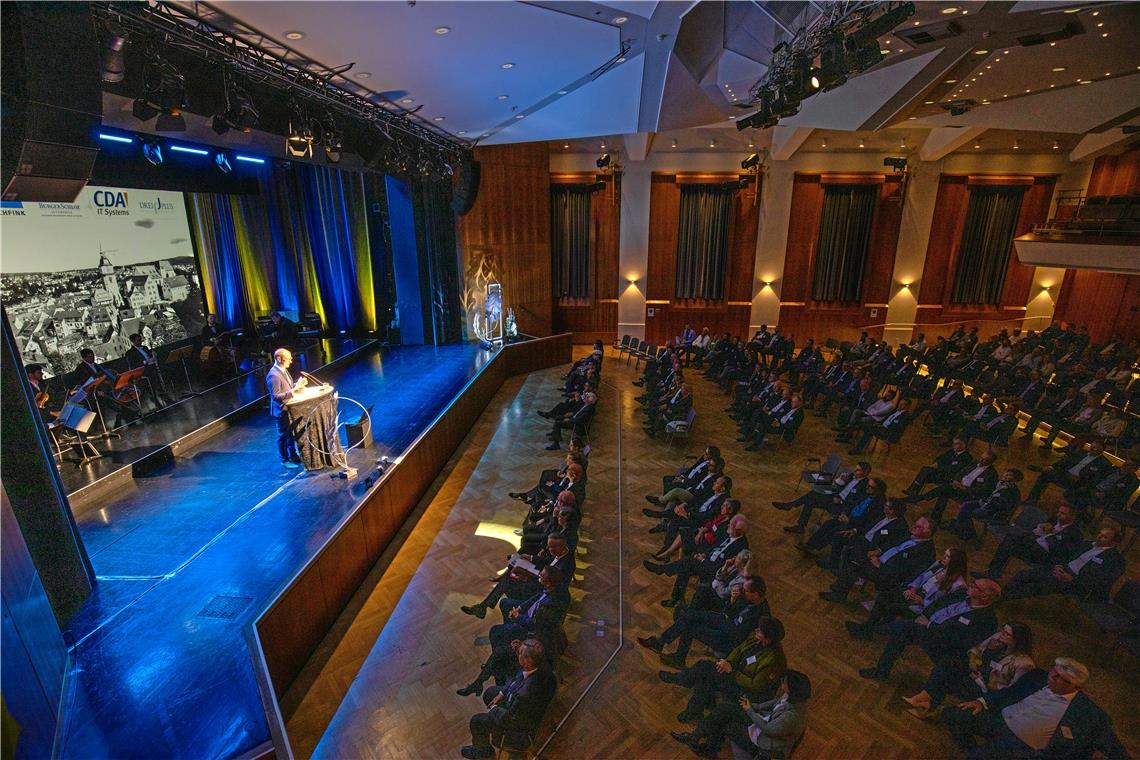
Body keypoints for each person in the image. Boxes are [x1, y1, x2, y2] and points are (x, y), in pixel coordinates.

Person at [941, 658, 1130, 759]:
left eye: (1058, 678)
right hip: (999, 720)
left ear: (1075, 686)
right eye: (1053, 672)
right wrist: (982, 702)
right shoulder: (1038, 676)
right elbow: (1009, 693)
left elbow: (1109, 742)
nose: (1051, 677)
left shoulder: (1088, 712)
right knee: (952, 714)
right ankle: (972, 749)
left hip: (1022, 745)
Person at [857, 578, 1001, 682]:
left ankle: (874, 630)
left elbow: (959, 640)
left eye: (975, 586)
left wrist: (929, 625)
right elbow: (938, 604)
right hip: (926, 624)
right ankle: (881, 668)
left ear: (984, 596)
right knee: (903, 630)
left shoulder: (987, 621)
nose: (970, 585)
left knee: (905, 628)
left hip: (942, 644)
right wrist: (924, 615)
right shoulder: (962, 594)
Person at [904, 621, 1035, 718]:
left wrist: (980, 680)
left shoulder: (1024, 664)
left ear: (1017, 640)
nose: (1002, 635)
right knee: (947, 665)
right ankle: (925, 698)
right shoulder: (998, 639)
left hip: (986, 691)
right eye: (1003, 631)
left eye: (1007, 634)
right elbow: (977, 649)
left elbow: (1011, 692)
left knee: (947, 678)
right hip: (976, 673)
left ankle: (927, 705)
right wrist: (972, 661)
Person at [672, 670, 811, 760]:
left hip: (765, 743)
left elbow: (769, 729)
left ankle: (704, 743)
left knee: (726, 725)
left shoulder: (792, 716)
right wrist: (754, 706)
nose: (782, 684)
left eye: (784, 683)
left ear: (792, 689)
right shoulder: (791, 697)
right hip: (761, 721)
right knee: (725, 709)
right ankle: (700, 740)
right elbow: (772, 703)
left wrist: (750, 710)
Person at [461, 639, 557, 759]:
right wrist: (502, 693)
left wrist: (494, 709)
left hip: (517, 731)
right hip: (520, 706)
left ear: (528, 661)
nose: (517, 654)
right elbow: (517, 678)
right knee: (489, 693)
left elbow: (510, 719)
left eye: (520, 653)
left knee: (476, 721)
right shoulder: (541, 665)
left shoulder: (525, 694)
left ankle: (483, 753)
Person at [267, 348, 306, 468]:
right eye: (288, 359)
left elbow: (286, 388)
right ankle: (284, 459)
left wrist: (296, 386)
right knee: (283, 436)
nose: (290, 361)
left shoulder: (283, 370)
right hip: (281, 410)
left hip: (289, 408)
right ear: (279, 359)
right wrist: (293, 391)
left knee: (290, 435)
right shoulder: (273, 375)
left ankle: (293, 455)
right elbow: (276, 396)